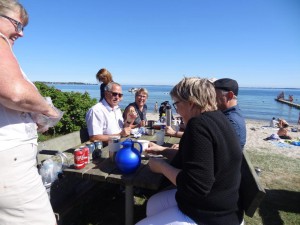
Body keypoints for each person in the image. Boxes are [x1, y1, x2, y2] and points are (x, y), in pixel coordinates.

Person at [137, 77, 243, 225]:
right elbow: (197, 159)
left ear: (191, 103)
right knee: (153, 203)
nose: (177, 111)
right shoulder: (218, 118)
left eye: (177, 104)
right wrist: (162, 150)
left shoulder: (198, 125)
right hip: (224, 204)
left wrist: (161, 167)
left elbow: (194, 186)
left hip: (211, 215)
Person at [0, 1, 60, 224]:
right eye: (17, 24)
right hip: (11, 167)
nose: (21, 33)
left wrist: (28, 117)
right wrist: (48, 110)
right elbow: (14, 93)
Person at [214, 78, 246, 149]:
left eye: (215, 96)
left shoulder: (231, 121)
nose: (213, 100)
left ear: (230, 95)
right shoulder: (231, 114)